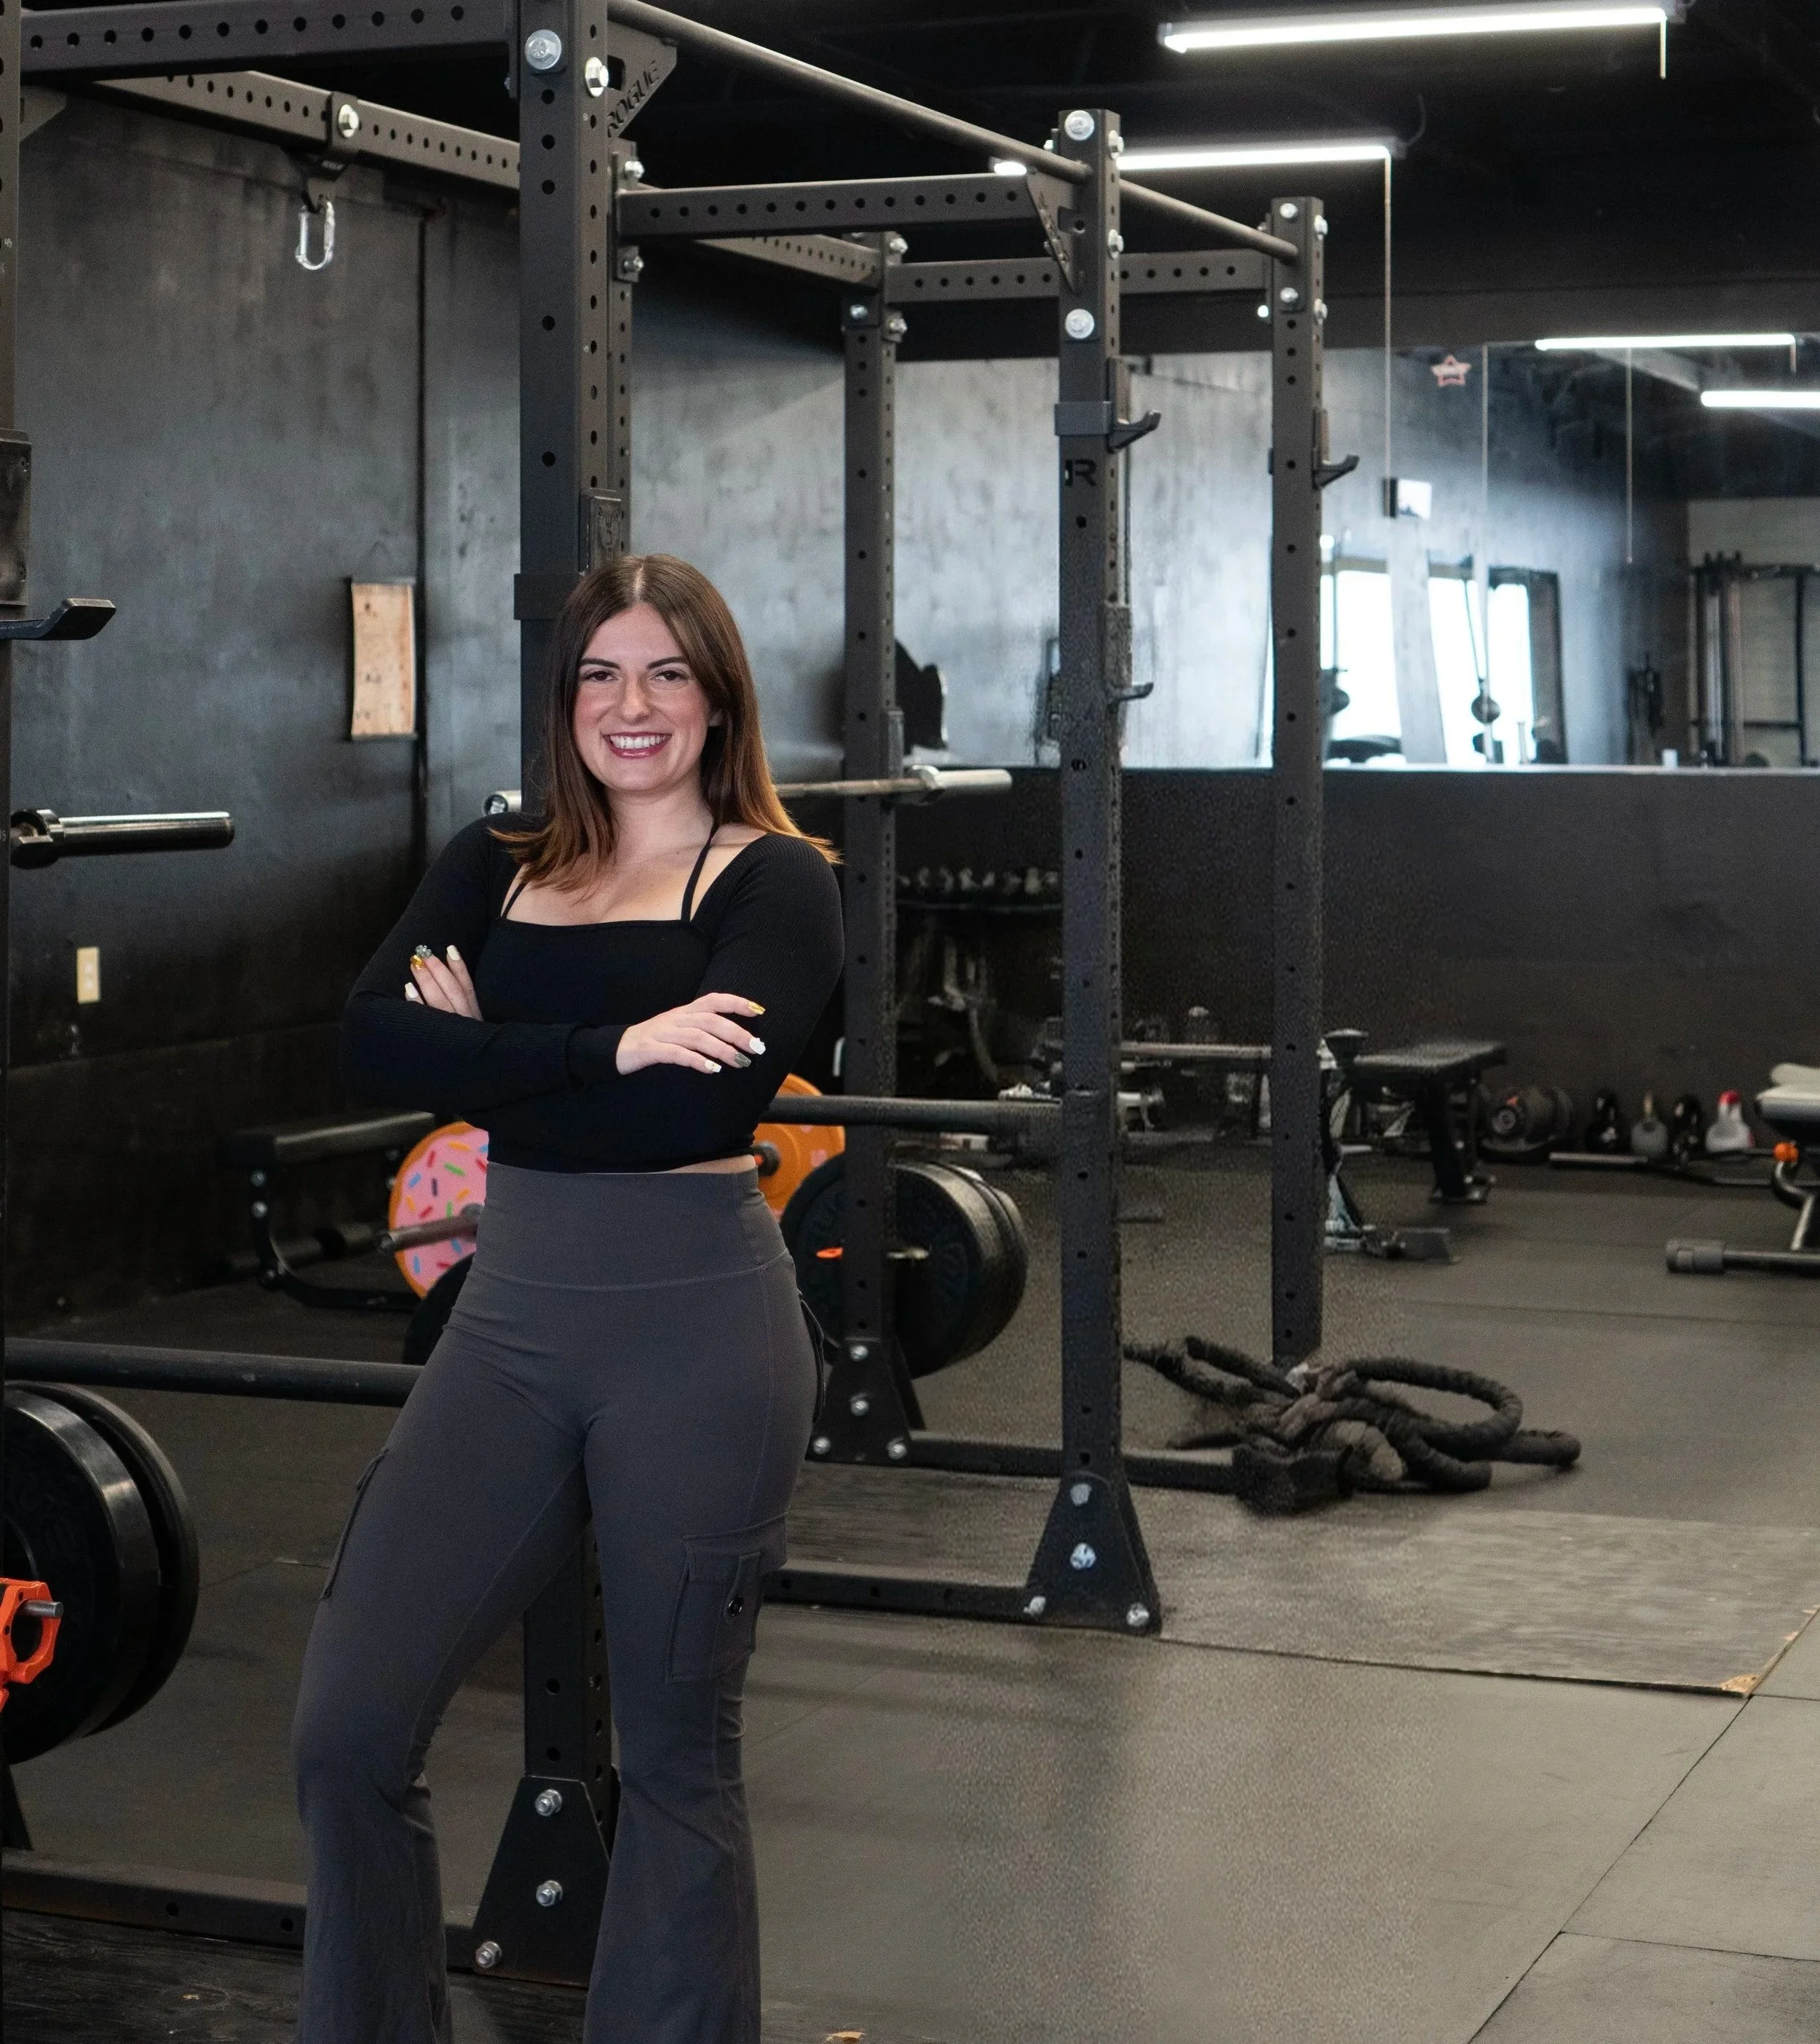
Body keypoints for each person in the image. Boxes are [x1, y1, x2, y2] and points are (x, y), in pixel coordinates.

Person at [291, 553, 844, 2044]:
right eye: (600, 672)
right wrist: (608, 1047)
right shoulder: (495, 860)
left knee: (675, 1754)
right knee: (346, 1732)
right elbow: (365, 1048)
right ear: (563, 700)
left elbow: (700, 1105)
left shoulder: (775, 881)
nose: (631, 704)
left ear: (719, 696)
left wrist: (494, 1055)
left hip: (698, 1332)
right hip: (512, 1321)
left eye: (667, 671)